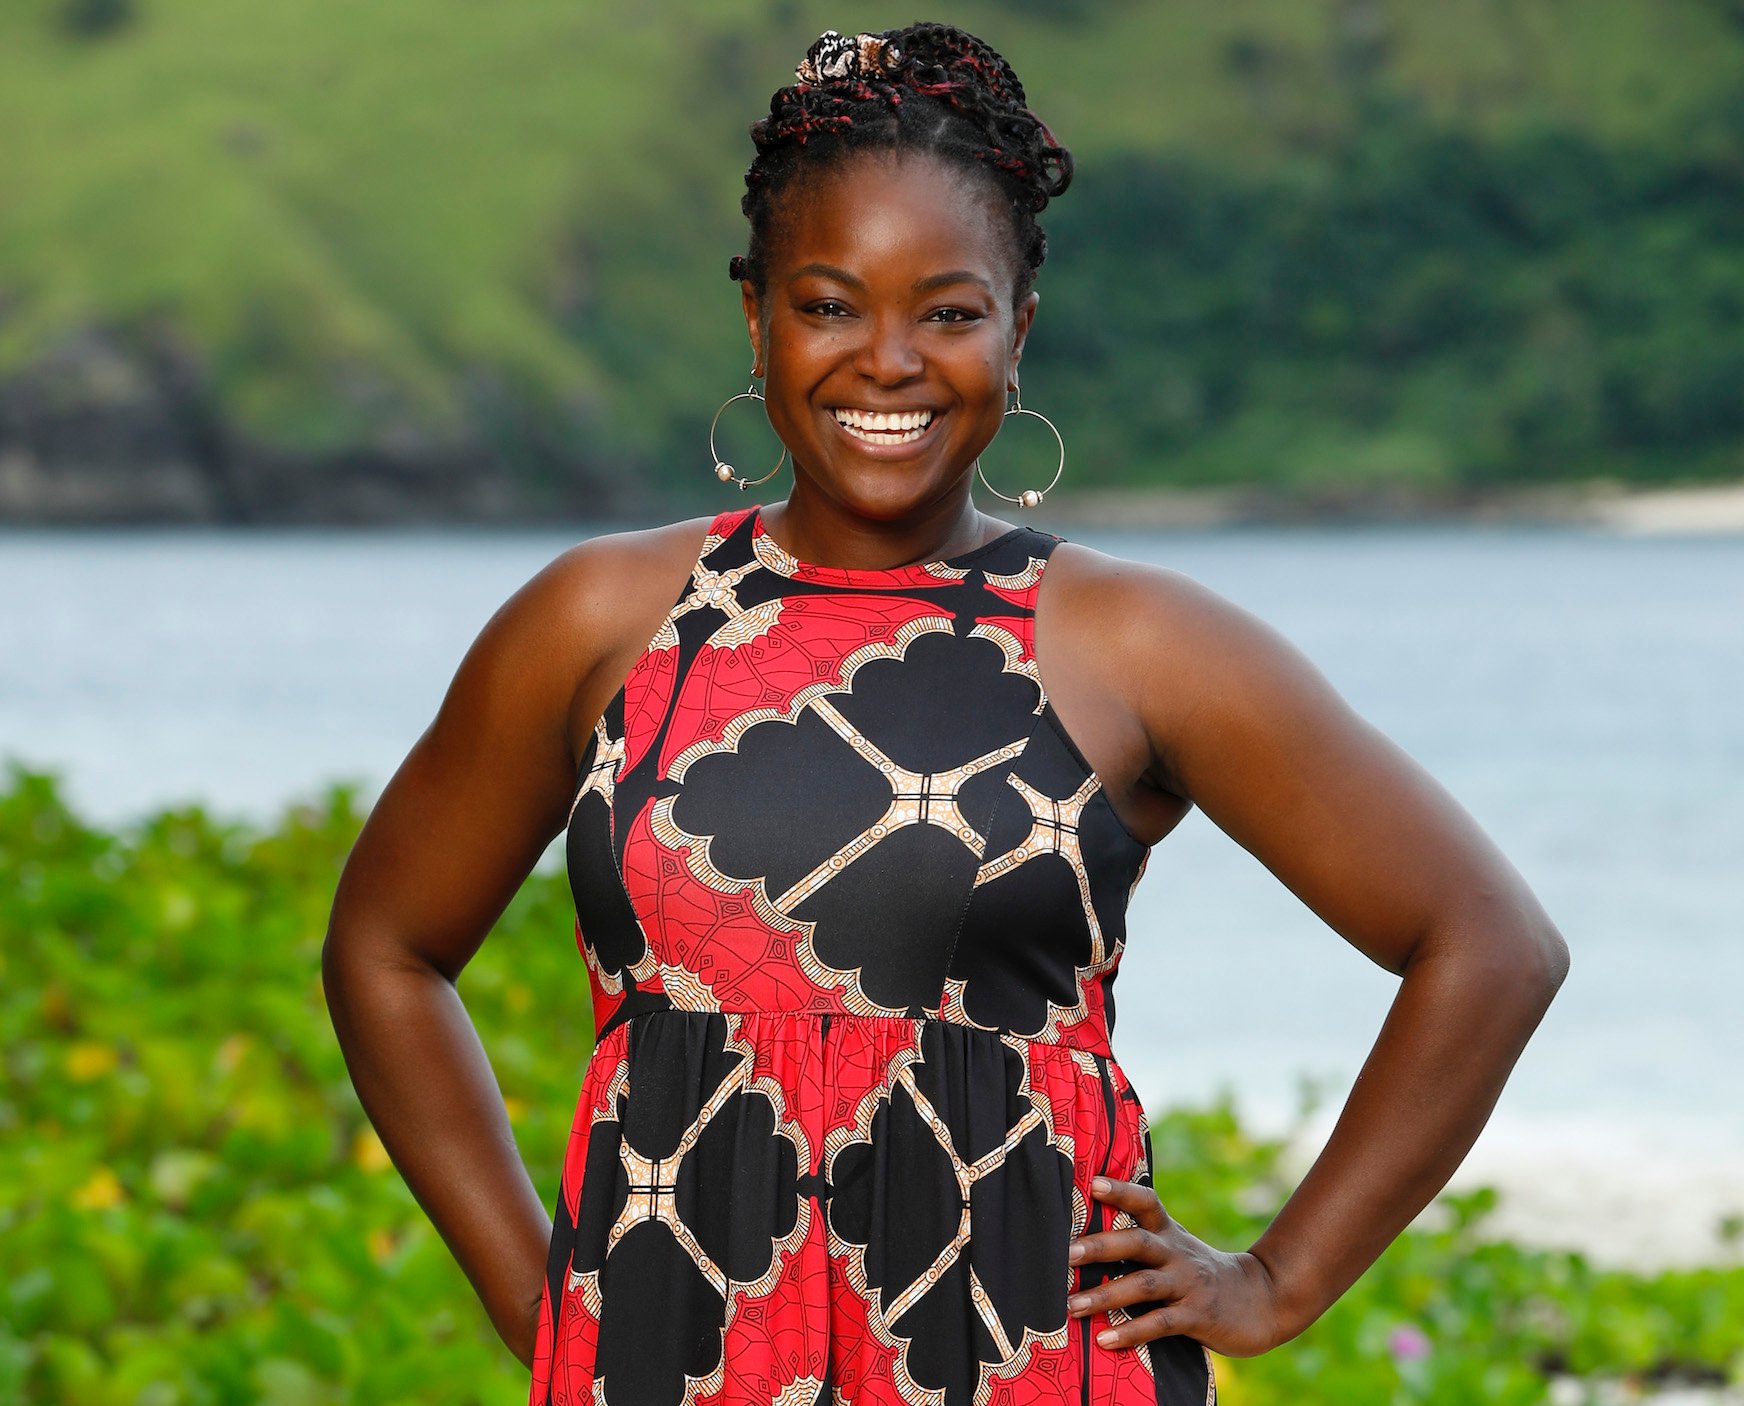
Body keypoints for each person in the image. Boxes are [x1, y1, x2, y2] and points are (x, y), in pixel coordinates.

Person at [321, 21, 1570, 1406]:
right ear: (756, 316)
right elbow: (387, 946)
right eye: (831, 303)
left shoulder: (1136, 643)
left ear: (1018, 329)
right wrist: (540, 1296)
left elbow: (1489, 945)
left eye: (950, 311)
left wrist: (1274, 1279)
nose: (889, 362)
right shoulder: (600, 621)